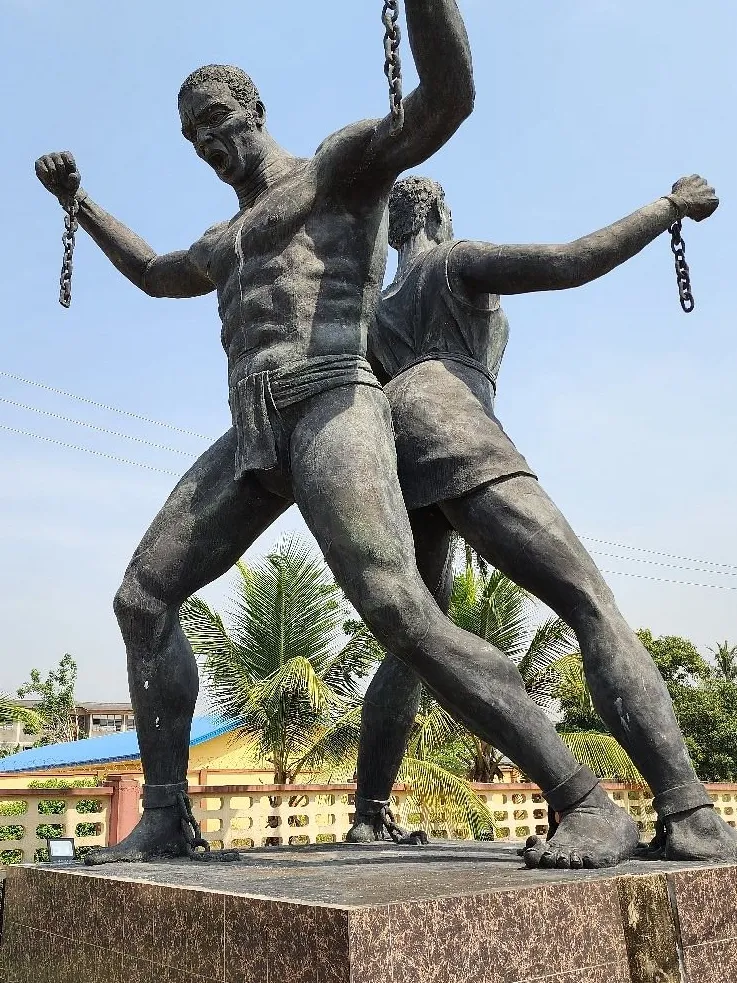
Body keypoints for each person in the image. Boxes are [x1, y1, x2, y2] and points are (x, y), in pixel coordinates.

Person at [34, 1, 607, 867]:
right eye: (193, 136)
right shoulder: (221, 239)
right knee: (141, 598)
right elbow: (155, 274)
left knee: (397, 609)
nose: (208, 143)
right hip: (252, 430)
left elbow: (446, 99)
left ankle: (583, 798)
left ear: (255, 109)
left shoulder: (337, 170)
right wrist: (80, 203)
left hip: (334, 398)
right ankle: (164, 813)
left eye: (217, 121)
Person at [347, 173, 734, 868]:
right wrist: (665, 209)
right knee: (588, 603)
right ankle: (689, 811)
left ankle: (368, 814)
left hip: (398, 456)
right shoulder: (455, 260)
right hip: (451, 426)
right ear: (435, 211)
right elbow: (569, 261)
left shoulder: (375, 309)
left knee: (415, 639)